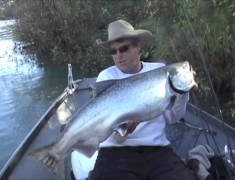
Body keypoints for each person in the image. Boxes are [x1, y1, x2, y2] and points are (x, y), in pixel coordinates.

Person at [72, 19, 197, 180]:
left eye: (123, 48)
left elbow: (173, 118)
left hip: (157, 150)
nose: (118, 55)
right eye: (113, 51)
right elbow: (113, 137)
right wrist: (125, 131)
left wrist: (183, 93)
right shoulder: (107, 76)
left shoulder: (159, 70)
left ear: (138, 47)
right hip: (116, 152)